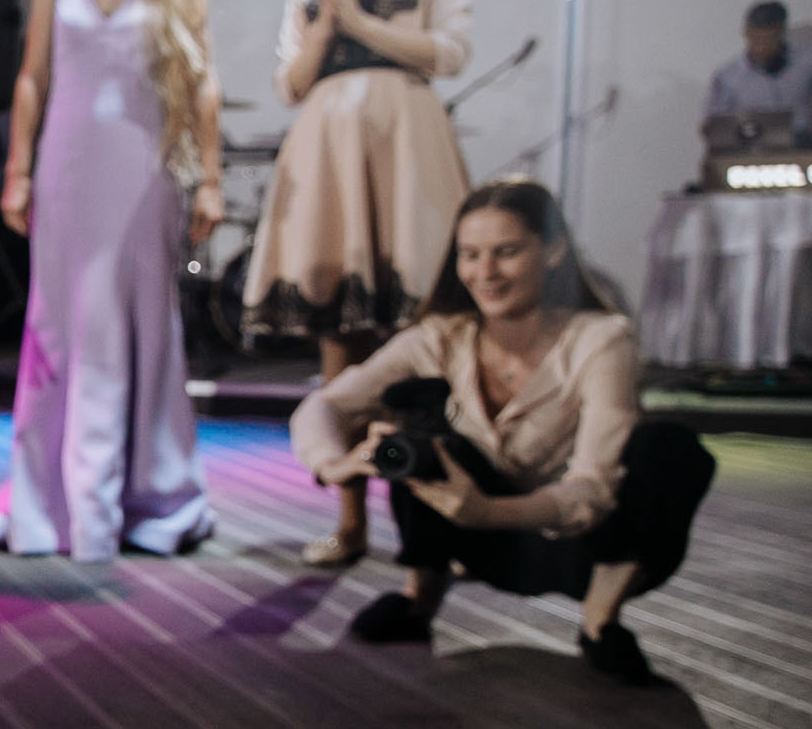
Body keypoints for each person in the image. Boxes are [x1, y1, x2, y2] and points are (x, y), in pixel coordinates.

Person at [292, 179, 710, 684]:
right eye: (470, 255)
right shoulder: (443, 337)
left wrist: (490, 511)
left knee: (668, 448)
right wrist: (332, 465)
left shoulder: (600, 339)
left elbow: (592, 490)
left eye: (506, 252)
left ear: (553, 250)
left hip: (579, 549)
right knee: (421, 439)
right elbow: (326, 406)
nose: (485, 273)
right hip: (477, 543)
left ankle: (601, 621)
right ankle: (418, 597)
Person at [0, 0, 222, 562]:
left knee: (138, 325)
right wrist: (18, 169)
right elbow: (33, 79)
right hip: (68, 168)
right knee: (60, 329)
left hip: (144, 173)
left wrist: (209, 179)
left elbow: (203, 83)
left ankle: (144, 495)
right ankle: (54, 499)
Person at [242, 0, 473, 570]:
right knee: (337, 339)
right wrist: (326, 25)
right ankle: (347, 521)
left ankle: (435, 525)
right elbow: (289, 82)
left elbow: (452, 52)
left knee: (423, 333)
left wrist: (366, 24)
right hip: (328, 143)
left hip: (405, 139)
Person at [701, 0, 812, 147]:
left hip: (802, 146)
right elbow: (709, 124)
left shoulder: (806, 64)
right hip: (749, 150)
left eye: (769, 39)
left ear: (781, 33)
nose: (762, 47)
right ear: (746, 33)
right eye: (756, 39)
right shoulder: (727, 76)